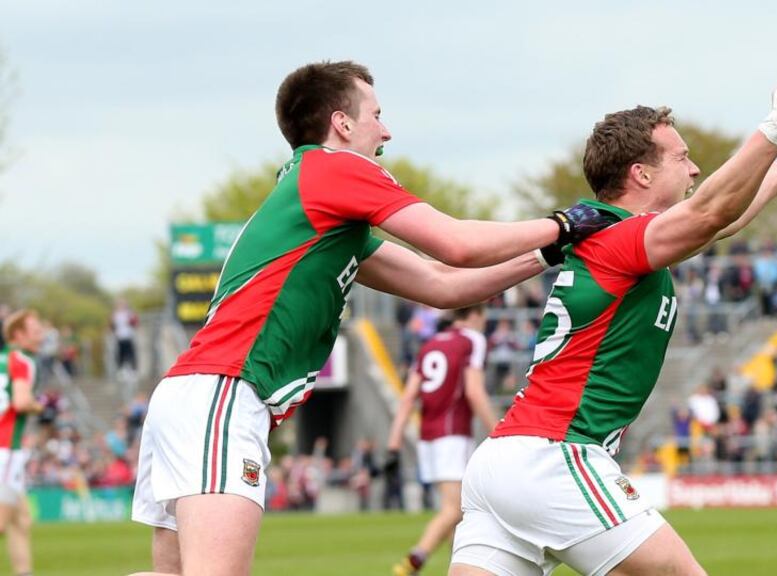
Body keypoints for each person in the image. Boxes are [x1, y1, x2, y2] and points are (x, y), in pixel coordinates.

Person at [128, 60, 614, 576]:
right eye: (376, 114)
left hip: (196, 395)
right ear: (341, 123)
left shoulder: (316, 196)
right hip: (225, 391)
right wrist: (558, 221)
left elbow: (441, 285)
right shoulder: (336, 169)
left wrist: (545, 253)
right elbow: (456, 245)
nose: (386, 130)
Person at [449, 76, 777, 576]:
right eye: (681, 157)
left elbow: (714, 222)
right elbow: (709, 212)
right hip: (557, 456)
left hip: (502, 462)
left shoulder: (615, 237)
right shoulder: (620, 240)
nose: (694, 167)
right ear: (641, 174)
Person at [388, 304, 498, 576]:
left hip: (428, 436)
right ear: (475, 315)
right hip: (453, 434)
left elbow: (408, 397)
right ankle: (411, 563)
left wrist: (395, 441)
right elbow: (474, 391)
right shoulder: (473, 339)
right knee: (454, 510)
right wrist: (499, 430)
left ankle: (459, 568)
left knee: (456, 511)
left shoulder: (430, 343)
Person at [0, 309, 46, 576]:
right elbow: (21, 402)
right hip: (6, 448)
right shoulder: (23, 360)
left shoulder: (4, 358)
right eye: (35, 328)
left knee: (21, 521)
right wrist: (41, 407)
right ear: (18, 334)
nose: (40, 332)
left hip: (8, 451)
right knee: (3, 522)